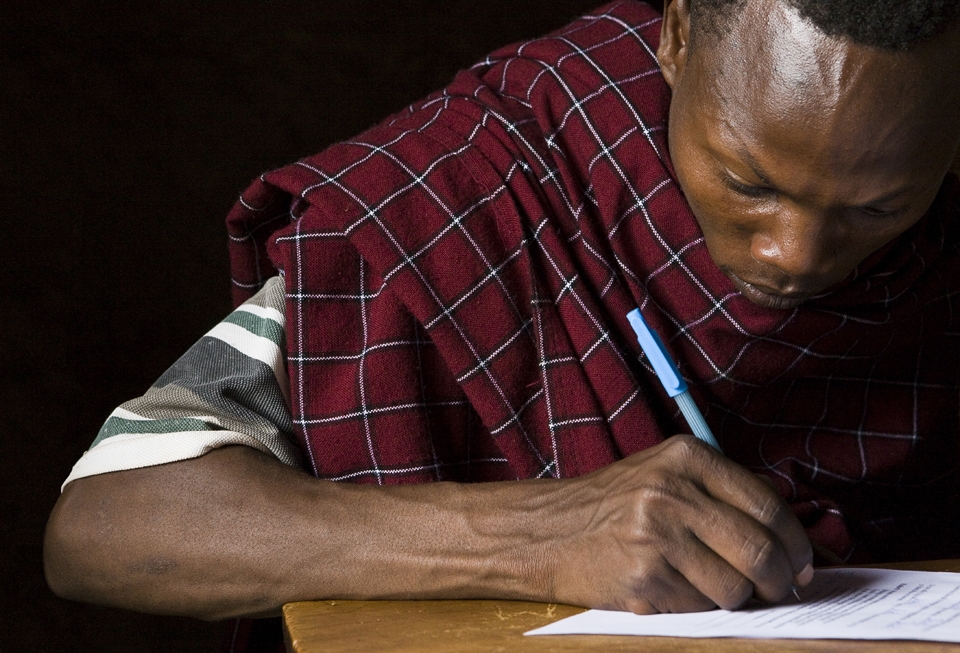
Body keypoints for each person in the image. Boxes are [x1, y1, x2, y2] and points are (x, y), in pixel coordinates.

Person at [45, 0, 960, 627]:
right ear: (678, 36)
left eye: (877, 208)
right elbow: (111, 522)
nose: (791, 256)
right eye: (747, 181)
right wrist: (544, 534)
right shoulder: (486, 189)